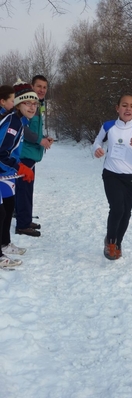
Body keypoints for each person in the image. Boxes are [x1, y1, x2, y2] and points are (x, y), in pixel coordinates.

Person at [93, 94, 132, 260]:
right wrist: (96, 150)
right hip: (111, 174)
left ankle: (118, 242)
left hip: (130, 177)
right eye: (124, 105)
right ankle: (110, 242)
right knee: (117, 209)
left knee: (126, 213)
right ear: (117, 108)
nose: (128, 108)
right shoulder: (108, 126)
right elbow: (97, 142)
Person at [0, 80, 37, 267]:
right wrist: (20, 167)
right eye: (27, 103)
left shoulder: (19, 121)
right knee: (0, 212)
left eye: (35, 103)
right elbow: (1, 152)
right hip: (2, 168)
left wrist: (17, 165)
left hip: (5, 171)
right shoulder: (12, 121)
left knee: (9, 205)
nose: (32, 107)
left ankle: (4, 243)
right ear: (18, 104)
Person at [15, 75, 54, 237]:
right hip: (24, 153)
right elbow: (23, 129)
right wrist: (40, 140)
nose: (42, 90)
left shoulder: (39, 105)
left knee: (28, 189)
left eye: (44, 87)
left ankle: (26, 218)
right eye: (39, 86)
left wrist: (44, 137)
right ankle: (22, 224)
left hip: (32, 154)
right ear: (32, 86)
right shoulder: (26, 105)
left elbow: (35, 128)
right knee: (23, 190)